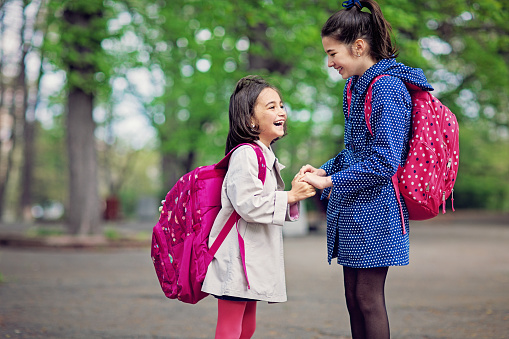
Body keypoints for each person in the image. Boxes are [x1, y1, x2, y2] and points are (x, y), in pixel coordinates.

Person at [299, 1, 434, 338]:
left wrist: (329, 181)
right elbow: (355, 151)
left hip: (377, 209)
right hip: (354, 207)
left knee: (367, 298)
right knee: (352, 297)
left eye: (333, 53)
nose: (329, 62)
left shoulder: (386, 87)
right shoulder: (354, 86)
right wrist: (323, 169)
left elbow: (385, 160)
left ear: (358, 47)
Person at [201, 75, 316, 339]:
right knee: (230, 328)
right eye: (271, 106)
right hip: (236, 260)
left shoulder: (263, 154)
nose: (281, 112)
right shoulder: (245, 154)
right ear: (251, 120)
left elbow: (263, 204)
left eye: (281, 105)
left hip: (250, 261)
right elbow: (248, 205)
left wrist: (293, 196)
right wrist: (288, 197)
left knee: (247, 327)